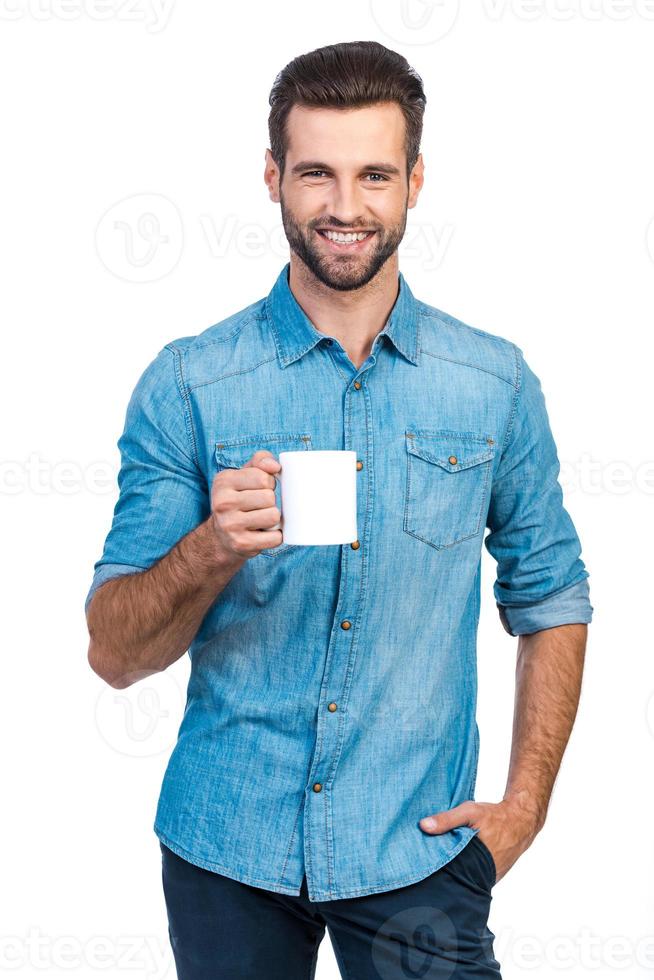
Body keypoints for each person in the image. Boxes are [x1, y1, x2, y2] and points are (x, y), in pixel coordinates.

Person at [85, 39, 593, 980]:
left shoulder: (494, 383)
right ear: (274, 176)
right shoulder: (190, 383)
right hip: (225, 847)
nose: (346, 207)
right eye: (317, 172)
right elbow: (114, 655)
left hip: (418, 849)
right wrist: (208, 549)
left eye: (375, 175)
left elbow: (553, 595)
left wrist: (524, 808)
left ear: (416, 182)